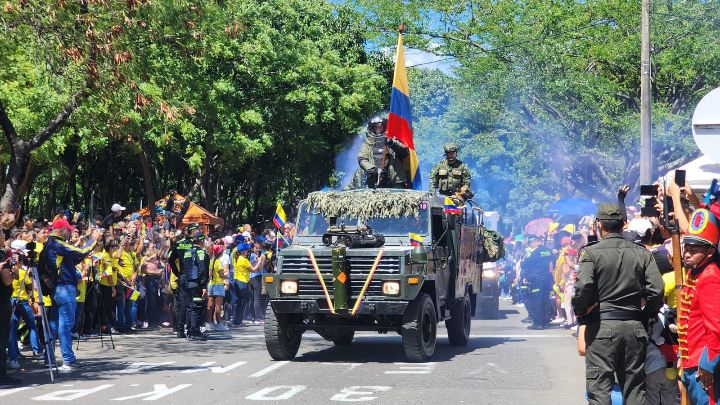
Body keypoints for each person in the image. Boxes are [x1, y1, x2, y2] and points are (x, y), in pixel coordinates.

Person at [572, 203, 664, 405]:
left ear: (598, 225)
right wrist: (645, 315)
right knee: (634, 389)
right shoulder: (642, 253)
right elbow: (656, 290)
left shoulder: (591, 253)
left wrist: (581, 311)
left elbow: (583, 286)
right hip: (634, 327)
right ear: (623, 224)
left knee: (600, 390)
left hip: (601, 328)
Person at [45, 218, 102, 372]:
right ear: (61, 230)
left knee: (54, 324)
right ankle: (68, 359)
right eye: (68, 229)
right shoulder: (58, 243)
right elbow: (80, 252)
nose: (70, 232)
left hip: (57, 288)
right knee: (65, 324)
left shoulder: (48, 244)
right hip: (65, 287)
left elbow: (76, 257)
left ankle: (48, 357)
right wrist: (93, 240)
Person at [677, 208, 720, 404]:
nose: (686, 254)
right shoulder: (694, 273)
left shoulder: (710, 277)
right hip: (690, 362)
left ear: (710, 251)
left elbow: (717, 328)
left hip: (703, 366)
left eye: (694, 250)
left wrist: (707, 364)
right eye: (686, 248)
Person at [170, 228, 209, 341]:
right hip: (194, 280)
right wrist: (203, 285)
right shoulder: (199, 251)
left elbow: (171, 260)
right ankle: (193, 330)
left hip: (184, 278)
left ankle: (181, 330)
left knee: (185, 305)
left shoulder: (184, 248)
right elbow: (202, 270)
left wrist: (178, 273)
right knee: (195, 305)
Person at [357, 115, 410, 188]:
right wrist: (372, 169)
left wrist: (392, 143)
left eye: (381, 127)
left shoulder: (393, 139)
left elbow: (405, 152)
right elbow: (361, 159)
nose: (379, 129)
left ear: (384, 127)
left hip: (395, 181)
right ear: (373, 128)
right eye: (376, 127)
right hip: (376, 180)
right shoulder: (368, 142)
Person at [520, 234, 554, 329]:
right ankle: (545, 321)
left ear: (536, 241)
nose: (531, 244)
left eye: (531, 242)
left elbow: (525, 264)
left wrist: (524, 260)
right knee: (545, 300)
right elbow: (552, 262)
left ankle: (538, 323)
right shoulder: (548, 250)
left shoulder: (534, 252)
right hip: (547, 278)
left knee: (537, 301)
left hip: (537, 279)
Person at [0, 243, 21, 385]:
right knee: (2, 339)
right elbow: (7, 281)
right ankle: (2, 374)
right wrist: (14, 270)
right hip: (2, 302)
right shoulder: (3, 258)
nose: (4, 237)